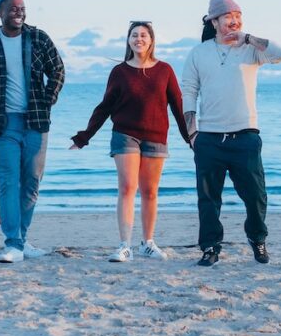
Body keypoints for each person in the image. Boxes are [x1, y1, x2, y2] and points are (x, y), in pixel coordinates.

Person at [69, 22, 192, 262]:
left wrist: (191, 138)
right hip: (125, 134)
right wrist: (84, 137)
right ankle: (125, 246)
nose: (139, 39)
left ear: (151, 40)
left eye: (143, 35)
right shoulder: (120, 72)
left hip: (156, 136)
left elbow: (178, 106)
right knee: (127, 187)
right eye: (134, 35)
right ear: (128, 40)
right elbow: (105, 107)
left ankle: (148, 243)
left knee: (150, 192)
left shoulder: (165, 70)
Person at [182, 0, 281, 267]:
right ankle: (210, 247)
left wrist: (248, 38)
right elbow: (189, 91)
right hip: (209, 137)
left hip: (246, 136)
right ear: (214, 22)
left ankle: (257, 238)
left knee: (256, 196)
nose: (234, 21)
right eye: (228, 16)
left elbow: (280, 54)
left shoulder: (251, 49)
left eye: (238, 16)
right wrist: (192, 133)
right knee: (208, 199)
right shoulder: (199, 53)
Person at [0, 0, 65, 264]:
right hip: (3, 124)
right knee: (9, 182)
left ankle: (21, 240)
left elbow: (57, 70)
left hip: (36, 121)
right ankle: (12, 243)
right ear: (0, 13)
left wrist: (47, 99)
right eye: (13, 8)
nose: (19, 12)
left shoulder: (39, 38)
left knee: (32, 182)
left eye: (22, 8)